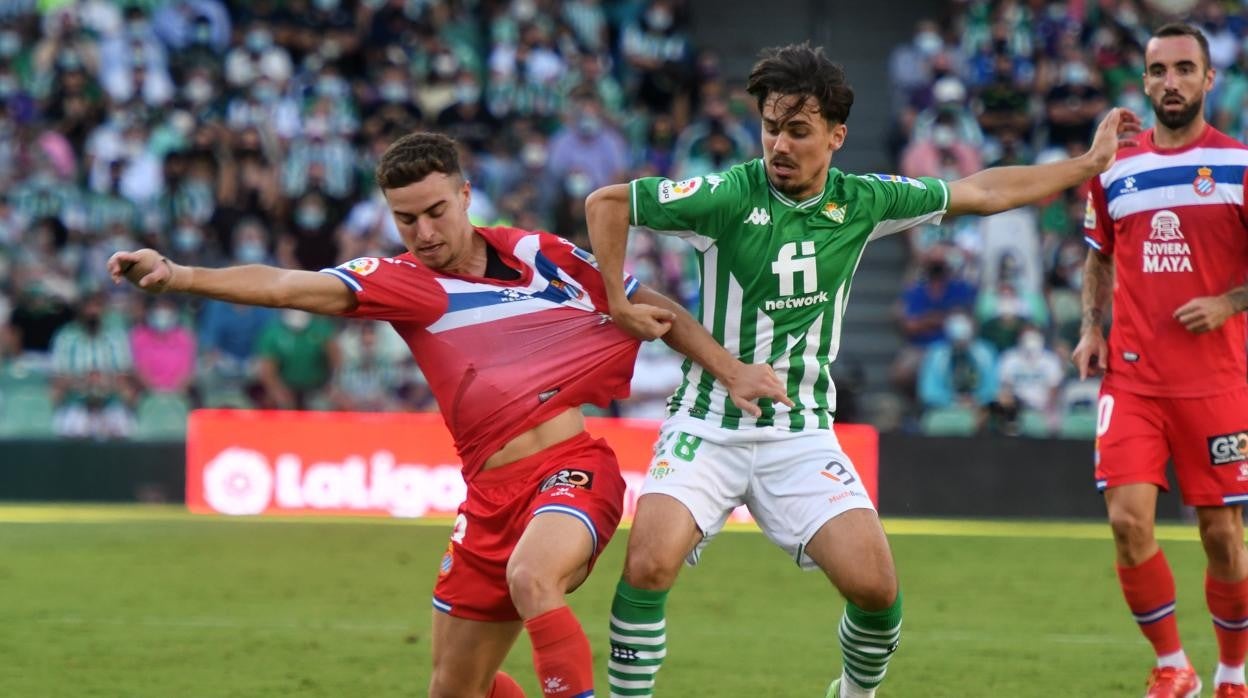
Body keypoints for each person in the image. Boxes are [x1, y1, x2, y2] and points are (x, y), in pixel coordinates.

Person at [108, 131, 788, 698]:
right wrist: (180, 275)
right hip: (488, 499)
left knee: (532, 577)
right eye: (406, 219)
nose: (424, 231)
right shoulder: (405, 284)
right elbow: (290, 285)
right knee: (454, 688)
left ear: (466, 195)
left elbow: (656, 310)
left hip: (573, 472)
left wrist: (733, 373)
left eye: (436, 211)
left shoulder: (541, 255)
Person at [585, 42, 1137, 698]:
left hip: (801, 432)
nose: (779, 146)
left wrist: (1088, 162)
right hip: (707, 424)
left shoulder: (865, 202)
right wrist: (619, 301)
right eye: (769, 129)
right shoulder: (726, 194)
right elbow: (608, 202)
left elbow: (984, 190)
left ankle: (854, 693)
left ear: (836, 137)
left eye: (798, 131)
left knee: (877, 590)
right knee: (647, 563)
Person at [1075, 23, 1248, 698]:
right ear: (1144, 82)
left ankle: (1233, 671)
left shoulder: (1239, 165)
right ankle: (1173, 664)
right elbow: (1098, 256)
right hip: (1134, 377)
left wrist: (1230, 303)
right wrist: (1092, 328)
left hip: (1219, 382)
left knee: (1223, 537)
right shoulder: (1114, 167)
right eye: (1157, 71)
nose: (1169, 82)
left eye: (1183, 69)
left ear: (1209, 80)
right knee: (1126, 520)